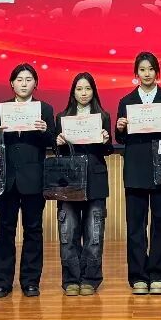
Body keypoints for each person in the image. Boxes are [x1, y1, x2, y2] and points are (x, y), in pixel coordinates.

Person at [115, 52, 161, 295]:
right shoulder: (126, 101)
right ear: (136, 73)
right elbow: (121, 139)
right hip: (135, 168)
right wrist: (119, 128)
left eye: (151, 69)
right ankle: (138, 276)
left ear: (157, 72)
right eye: (142, 69)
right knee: (136, 225)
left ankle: (160, 276)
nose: (147, 74)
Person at [0, 63, 55, 298]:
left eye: (28, 79)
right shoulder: (1, 108)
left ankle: (30, 281)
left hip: (34, 178)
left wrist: (45, 130)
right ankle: (1, 282)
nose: (24, 83)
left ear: (35, 83)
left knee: (33, 230)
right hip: (7, 178)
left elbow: (53, 141)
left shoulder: (44, 109)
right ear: (12, 83)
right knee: (5, 229)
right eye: (19, 79)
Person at [54, 72, 113, 296]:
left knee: (94, 233)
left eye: (87, 89)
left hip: (95, 179)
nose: (83, 93)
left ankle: (90, 278)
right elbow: (58, 152)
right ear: (73, 92)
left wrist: (106, 141)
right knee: (68, 231)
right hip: (68, 181)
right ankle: (71, 278)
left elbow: (107, 151)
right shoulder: (62, 117)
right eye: (79, 89)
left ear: (93, 92)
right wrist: (58, 142)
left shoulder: (103, 116)